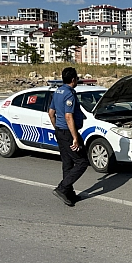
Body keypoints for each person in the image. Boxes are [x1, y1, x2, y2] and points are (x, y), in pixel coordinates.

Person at [48, 67, 89, 207]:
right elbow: (68, 116)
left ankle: (68, 193)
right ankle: (62, 187)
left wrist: (57, 129)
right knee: (82, 162)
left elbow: (51, 113)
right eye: (77, 78)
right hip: (67, 132)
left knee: (67, 163)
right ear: (73, 79)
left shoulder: (57, 91)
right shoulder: (69, 94)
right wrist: (75, 137)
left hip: (60, 131)